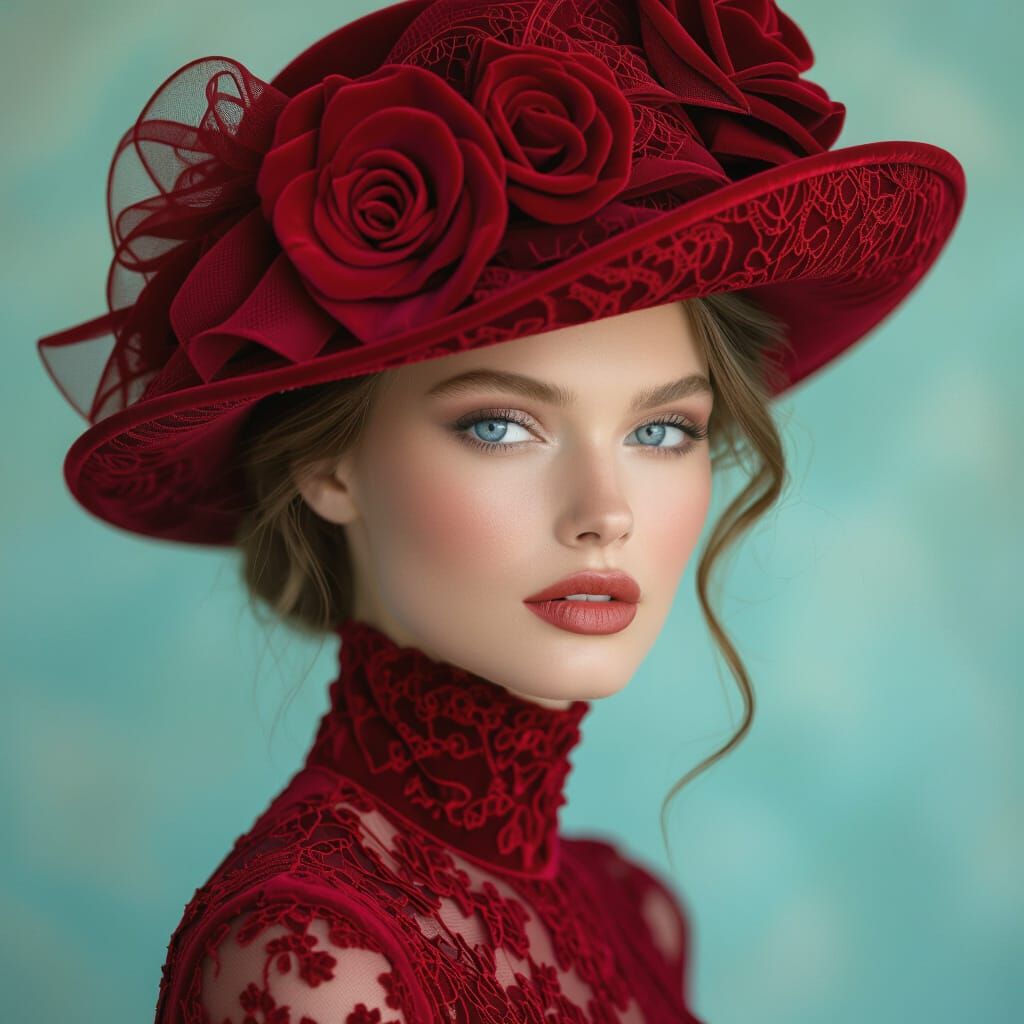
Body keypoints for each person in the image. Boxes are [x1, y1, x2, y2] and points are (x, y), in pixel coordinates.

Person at [36, 1, 965, 1020]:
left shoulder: (631, 908)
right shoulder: (311, 963)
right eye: (500, 426)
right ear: (328, 463)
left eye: (661, 431)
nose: (602, 512)